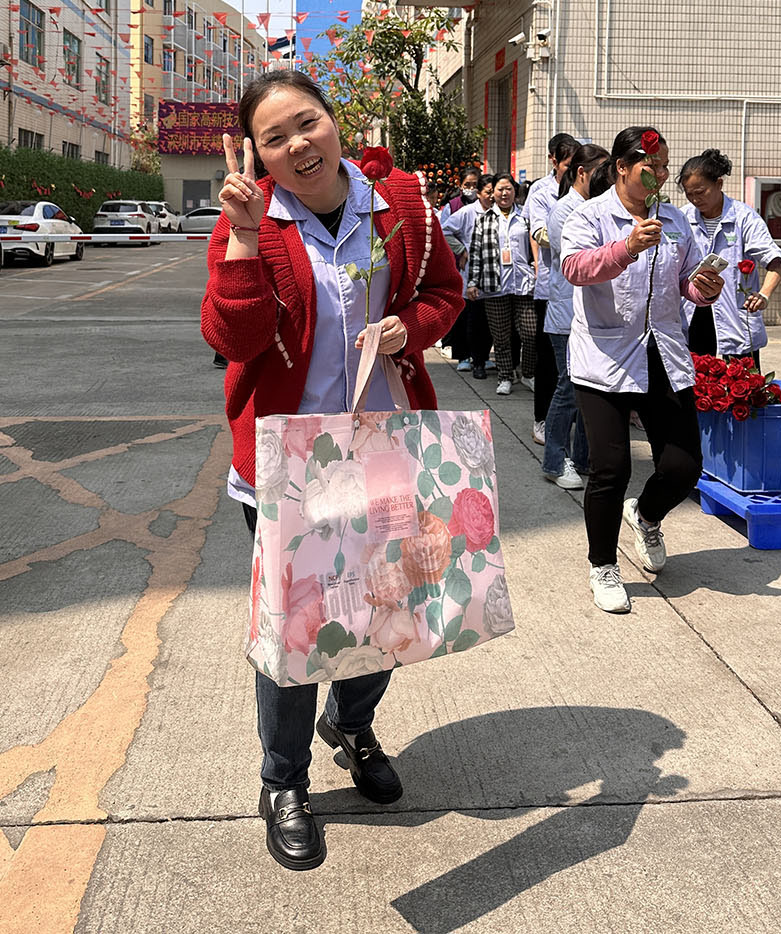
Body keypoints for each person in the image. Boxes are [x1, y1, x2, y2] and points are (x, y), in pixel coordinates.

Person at [200, 71, 463, 871]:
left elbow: (445, 295)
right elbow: (234, 340)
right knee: (297, 630)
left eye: (307, 123)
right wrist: (243, 239)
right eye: (274, 138)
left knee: (386, 611)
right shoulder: (250, 219)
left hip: (383, 449)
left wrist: (407, 327)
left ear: (333, 121)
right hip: (288, 465)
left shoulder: (400, 205)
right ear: (256, 154)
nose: (298, 145)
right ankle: (283, 782)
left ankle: (351, 726)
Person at [561, 126, 724, 614]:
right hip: (605, 357)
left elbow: (684, 279)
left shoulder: (674, 219)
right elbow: (574, 268)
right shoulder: (590, 215)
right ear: (622, 168)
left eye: (665, 166)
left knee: (683, 466)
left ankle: (647, 516)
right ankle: (602, 564)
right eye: (651, 167)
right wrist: (626, 247)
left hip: (662, 351)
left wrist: (703, 288)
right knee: (611, 468)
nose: (661, 175)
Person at [542, 144, 611, 489]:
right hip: (567, 315)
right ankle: (555, 461)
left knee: (588, 389)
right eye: (602, 172)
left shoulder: (598, 207)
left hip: (591, 315)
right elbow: (579, 262)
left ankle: (584, 458)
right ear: (582, 173)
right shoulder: (564, 211)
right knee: (568, 389)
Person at [677, 148, 781, 369]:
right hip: (693, 315)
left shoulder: (744, 217)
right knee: (697, 381)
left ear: (719, 184)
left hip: (735, 317)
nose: (695, 199)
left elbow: (775, 262)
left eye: (700, 192)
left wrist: (763, 295)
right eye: (689, 194)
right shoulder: (682, 217)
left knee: (742, 383)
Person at [524, 135, 580, 443]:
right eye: (567, 165)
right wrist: (573, 232)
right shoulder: (541, 191)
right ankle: (542, 419)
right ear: (553, 161)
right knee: (548, 360)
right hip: (551, 285)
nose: (572, 171)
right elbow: (539, 233)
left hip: (581, 287)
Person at [467, 173, 535, 395]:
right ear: (492, 192)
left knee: (531, 332)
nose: (504, 193)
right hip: (494, 284)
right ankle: (505, 376)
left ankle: (528, 373)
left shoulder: (525, 217)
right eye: (500, 189)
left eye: (508, 189)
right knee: (501, 335)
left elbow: (534, 249)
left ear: (515, 191)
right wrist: (473, 282)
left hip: (524, 283)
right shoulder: (484, 219)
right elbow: (475, 253)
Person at [441, 173, 495, 379]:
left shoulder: (499, 212)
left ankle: (483, 356)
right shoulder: (466, 212)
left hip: (493, 274)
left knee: (489, 321)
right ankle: (471, 358)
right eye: (488, 192)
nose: (492, 196)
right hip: (472, 272)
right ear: (480, 193)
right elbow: (444, 231)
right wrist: (461, 250)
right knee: (472, 319)